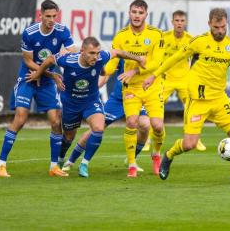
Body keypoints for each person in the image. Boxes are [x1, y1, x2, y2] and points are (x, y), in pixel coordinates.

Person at [143, 8, 230, 184]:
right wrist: (154, 75)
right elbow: (174, 58)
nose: (220, 31)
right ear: (209, 25)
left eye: (223, 27)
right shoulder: (199, 42)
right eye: (216, 27)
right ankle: (169, 155)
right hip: (198, 101)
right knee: (190, 144)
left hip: (220, 99)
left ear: (226, 24)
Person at [26, 36, 145, 177]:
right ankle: (61, 158)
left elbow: (118, 52)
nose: (95, 57)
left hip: (91, 101)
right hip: (71, 104)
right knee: (69, 137)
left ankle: (85, 163)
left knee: (99, 128)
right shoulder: (69, 60)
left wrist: (138, 59)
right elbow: (50, 59)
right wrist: (41, 74)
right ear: (82, 51)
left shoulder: (101, 58)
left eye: (97, 53)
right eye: (92, 53)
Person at [0, 0, 76, 178]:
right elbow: (27, 61)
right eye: (48, 16)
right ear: (41, 15)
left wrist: (65, 54)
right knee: (21, 119)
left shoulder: (62, 31)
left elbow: (72, 50)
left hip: (45, 81)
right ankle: (0, 165)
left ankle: (54, 167)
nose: (51, 19)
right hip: (28, 78)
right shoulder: (30, 33)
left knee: (55, 121)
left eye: (55, 16)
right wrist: (47, 73)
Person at [60, 58, 152, 173]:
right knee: (97, 128)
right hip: (119, 99)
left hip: (138, 96)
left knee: (145, 125)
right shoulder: (123, 49)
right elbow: (106, 73)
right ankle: (71, 161)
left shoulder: (149, 48)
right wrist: (94, 86)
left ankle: (132, 160)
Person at [111, 0, 166, 177]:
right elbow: (112, 63)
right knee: (132, 122)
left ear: (145, 15)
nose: (136, 15)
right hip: (131, 87)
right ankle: (132, 165)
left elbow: (156, 63)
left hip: (152, 85)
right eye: (134, 12)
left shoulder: (156, 34)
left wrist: (134, 69)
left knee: (157, 126)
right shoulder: (120, 36)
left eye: (140, 13)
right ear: (129, 13)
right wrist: (99, 70)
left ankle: (156, 154)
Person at [161, 10, 206, 151]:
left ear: (185, 22)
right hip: (166, 78)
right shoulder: (163, 38)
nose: (179, 23)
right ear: (172, 22)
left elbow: (198, 58)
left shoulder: (191, 39)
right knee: (156, 106)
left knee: (192, 107)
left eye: (182, 21)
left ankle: (195, 138)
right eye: (177, 20)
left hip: (184, 79)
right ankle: (151, 139)